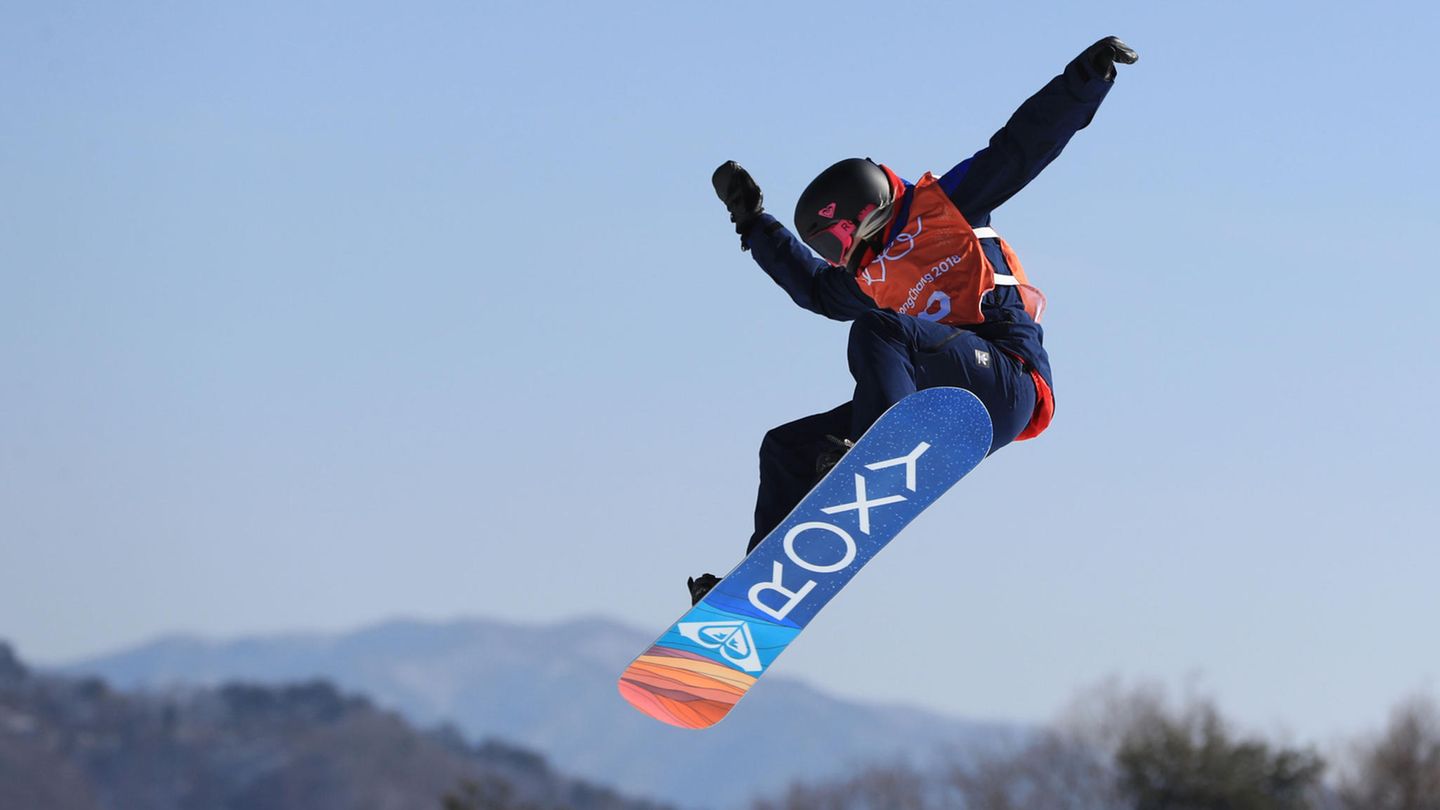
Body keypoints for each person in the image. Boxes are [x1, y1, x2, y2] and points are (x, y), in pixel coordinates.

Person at [690, 36, 1138, 604]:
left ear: (869, 206)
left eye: (845, 239)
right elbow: (814, 292)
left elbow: (1022, 148)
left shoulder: (947, 206)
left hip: (1007, 378)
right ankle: (752, 589)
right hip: (937, 404)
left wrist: (1085, 80)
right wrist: (753, 223)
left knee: (880, 329)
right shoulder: (867, 273)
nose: (847, 256)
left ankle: (876, 447)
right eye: (835, 250)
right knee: (785, 449)